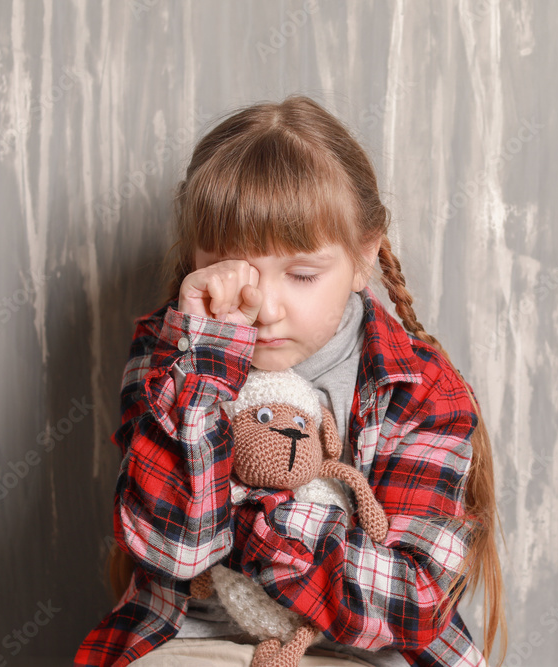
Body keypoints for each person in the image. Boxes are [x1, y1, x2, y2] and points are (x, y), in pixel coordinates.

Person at [74, 95, 507, 667]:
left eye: (302, 274)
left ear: (362, 258)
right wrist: (206, 358)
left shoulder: (421, 387)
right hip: (195, 637)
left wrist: (257, 517)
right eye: (239, 271)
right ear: (197, 260)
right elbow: (175, 548)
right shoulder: (170, 350)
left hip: (363, 650)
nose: (267, 307)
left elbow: (411, 605)